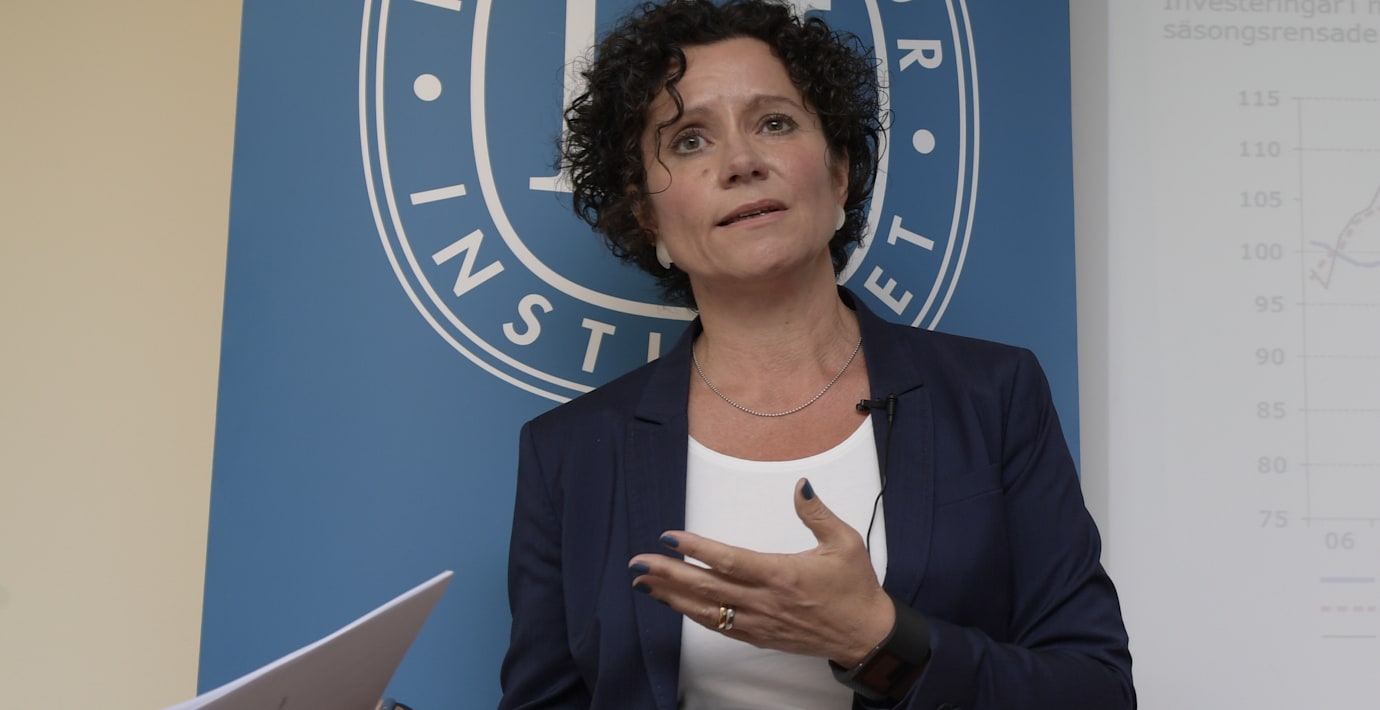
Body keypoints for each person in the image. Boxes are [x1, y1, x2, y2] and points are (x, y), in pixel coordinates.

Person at [498, 1, 1134, 708]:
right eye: (689, 141)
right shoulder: (570, 453)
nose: (741, 162)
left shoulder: (994, 395)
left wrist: (877, 641)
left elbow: (1097, 691)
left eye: (774, 123)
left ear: (838, 175)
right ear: (648, 216)